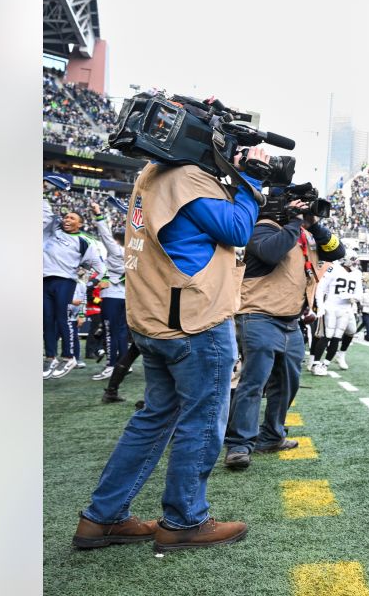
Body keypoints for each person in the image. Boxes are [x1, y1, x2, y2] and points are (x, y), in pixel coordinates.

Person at [74, 145, 267, 552]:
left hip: (154, 316)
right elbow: (237, 230)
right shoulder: (188, 176)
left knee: (153, 418)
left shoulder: (152, 171)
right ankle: (185, 520)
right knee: (201, 421)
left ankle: (102, 518)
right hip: (193, 319)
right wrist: (253, 178)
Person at [223, 192, 344, 470]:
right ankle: (239, 444)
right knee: (254, 383)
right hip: (259, 316)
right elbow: (271, 252)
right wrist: (292, 222)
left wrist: (313, 225)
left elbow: (338, 252)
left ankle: (272, 435)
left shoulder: (306, 235)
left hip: (292, 322)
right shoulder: (262, 226)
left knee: (287, 383)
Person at [43, 176, 107, 378]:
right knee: (46, 320)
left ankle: (69, 357)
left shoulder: (83, 242)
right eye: (66, 217)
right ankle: (51, 358)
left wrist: (92, 282)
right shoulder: (51, 232)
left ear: (80, 224)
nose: (66, 219)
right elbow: (45, 214)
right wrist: (43, 192)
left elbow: (100, 267)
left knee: (62, 318)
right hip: (44, 280)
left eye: (72, 218)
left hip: (65, 281)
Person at [89, 202, 130, 383]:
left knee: (109, 331)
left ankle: (111, 365)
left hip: (112, 296)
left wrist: (99, 215)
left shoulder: (115, 251)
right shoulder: (135, 253)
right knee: (121, 333)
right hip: (126, 297)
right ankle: (123, 365)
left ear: (117, 241)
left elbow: (105, 235)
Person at [313, 254, 361, 374]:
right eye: (353, 261)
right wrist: (320, 306)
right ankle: (315, 363)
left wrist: (351, 296)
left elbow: (359, 294)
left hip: (345, 309)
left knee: (337, 337)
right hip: (331, 306)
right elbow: (321, 288)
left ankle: (326, 364)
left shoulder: (357, 274)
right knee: (326, 335)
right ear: (346, 261)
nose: (355, 264)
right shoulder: (334, 268)